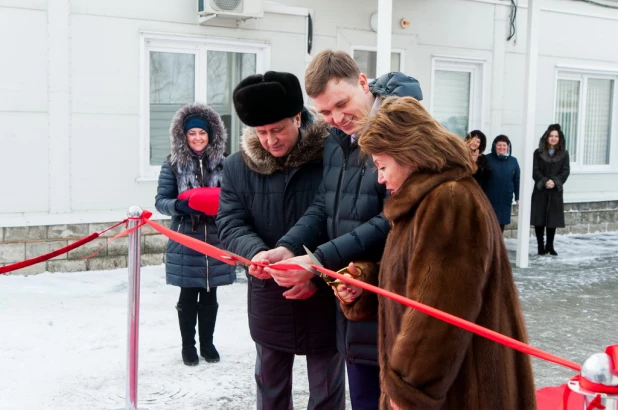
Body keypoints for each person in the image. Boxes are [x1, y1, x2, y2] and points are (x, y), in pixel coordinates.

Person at [338, 96, 536, 410]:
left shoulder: (449, 200)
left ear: (409, 156)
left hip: (464, 390)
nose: (380, 178)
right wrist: (364, 281)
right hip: (447, 386)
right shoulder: (429, 199)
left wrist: (409, 390)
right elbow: (417, 276)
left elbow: (440, 312)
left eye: (382, 166)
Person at [259, 50, 423, 410]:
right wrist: (289, 247)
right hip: (351, 297)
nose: (335, 118)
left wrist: (317, 260)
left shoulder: (403, 131)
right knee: (362, 397)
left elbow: (392, 217)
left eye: (341, 104)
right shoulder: (336, 137)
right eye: (324, 113)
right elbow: (324, 204)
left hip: (394, 294)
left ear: (363, 82)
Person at [216, 71, 345, 410]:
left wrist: (315, 271)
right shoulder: (236, 166)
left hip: (323, 290)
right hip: (268, 292)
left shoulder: (330, 156)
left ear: (298, 118)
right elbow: (230, 222)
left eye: (277, 130)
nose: (269, 140)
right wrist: (256, 253)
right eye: (261, 132)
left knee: (327, 391)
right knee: (271, 388)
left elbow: (337, 219)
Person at [155, 102, 236, 366]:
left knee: (211, 292)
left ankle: (207, 343)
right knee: (188, 294)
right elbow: (161, 201)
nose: (198, 138)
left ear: (211, 136)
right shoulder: (173, 165)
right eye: (192, 133)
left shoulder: (226, 163)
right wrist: (179, 205)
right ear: (184, 136)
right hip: (186, 237)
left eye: (202, 133)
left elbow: (235, 198)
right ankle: (188, 346)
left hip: (216, 236)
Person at [531, 124, 570, 256]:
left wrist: (555, 182)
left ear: (559, 138)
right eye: (551, 136)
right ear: (547, 137)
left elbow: (565, 171)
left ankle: (550, 246)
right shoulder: (538, 153)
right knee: (540, 219)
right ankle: (540, 246)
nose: (553, 138)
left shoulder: (564, 154)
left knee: (552, 219)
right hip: (541, 190)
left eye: (556, 136)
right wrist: (544, 181)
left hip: (555, 191)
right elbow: (534, 170)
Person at [483, 134, 520, 232]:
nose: (502, 147)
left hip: (505, 198)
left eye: (504, 145)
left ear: (508, 146)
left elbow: (517, 180)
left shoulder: (513, 161)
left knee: (501, 224)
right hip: (489, 197)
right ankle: (490, 246)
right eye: (499, 145)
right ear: (495, 146)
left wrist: (518, 197)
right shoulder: (487, 159)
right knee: (488, 223)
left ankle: (498, 245)